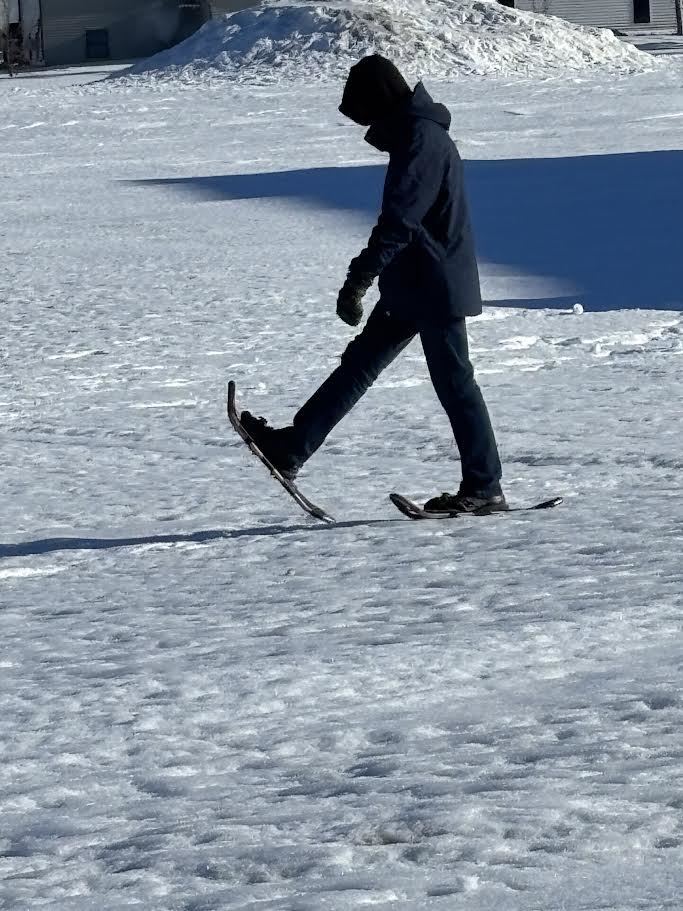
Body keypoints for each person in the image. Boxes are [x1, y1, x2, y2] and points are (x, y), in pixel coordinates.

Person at [241, 54, 506, 514]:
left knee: (456, 384)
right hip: (413, 282)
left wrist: (360, 276)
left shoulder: (421, 140)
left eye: (366, 115)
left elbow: (400, 220)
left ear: (380, 102)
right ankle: (293, 448)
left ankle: (485, 487)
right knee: (358, 364)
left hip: (436, 284)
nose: (367, 129)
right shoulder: (413, 134)